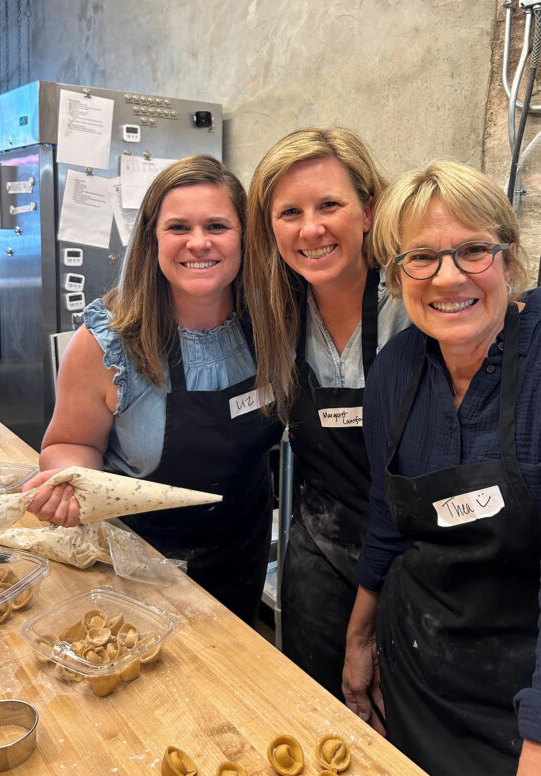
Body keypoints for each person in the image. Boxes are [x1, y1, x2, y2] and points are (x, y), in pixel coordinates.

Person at [342, 160, 541, 776]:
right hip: (420, 673)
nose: (447, 277)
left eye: (473, 251)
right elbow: (386, 521)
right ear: (398, 275)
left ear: (508, 259)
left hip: (523, 685)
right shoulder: (397, 368)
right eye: (420, 258)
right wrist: (359, 640)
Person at [24, 155, 283, 626]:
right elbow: (69, 443)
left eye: (218, 226)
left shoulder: (270, 324)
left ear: (245, 236)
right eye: (178, 227)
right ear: (152, 238)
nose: (198, 242)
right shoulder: (109, 343)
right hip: (139, 568)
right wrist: (67, 482)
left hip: (242, 554)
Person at [243, 128, 409, 698]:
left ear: (368, 210)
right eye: (289, 211)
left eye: (329, 205)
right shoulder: (273, 311)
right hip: (318, 546)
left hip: (417, 559)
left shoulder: (414, 304)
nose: (310, 229)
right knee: (314, 709)